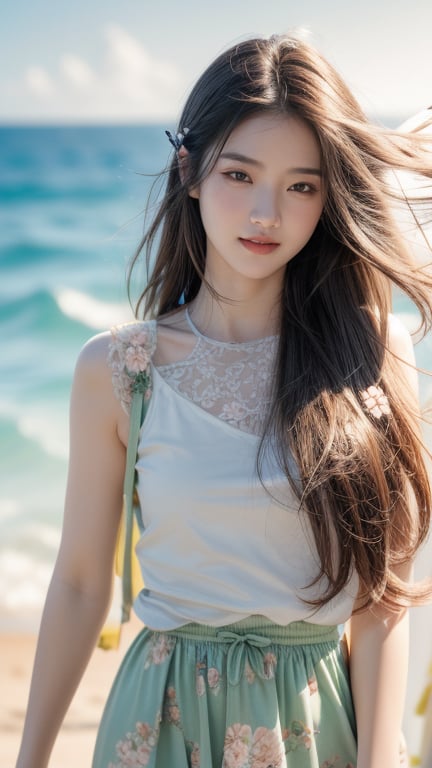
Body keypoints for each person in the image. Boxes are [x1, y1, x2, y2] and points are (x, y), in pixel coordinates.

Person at [16, 33, 432, 768]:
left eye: (302, 185)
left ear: (329, 196)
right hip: (159, 719)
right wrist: (31, 758)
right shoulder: (119, 370)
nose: (266, 212)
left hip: (313, 724)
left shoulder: (374, 351)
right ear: (192, 171)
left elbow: (381, 604)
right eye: (240, 174)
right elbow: (82, 583)